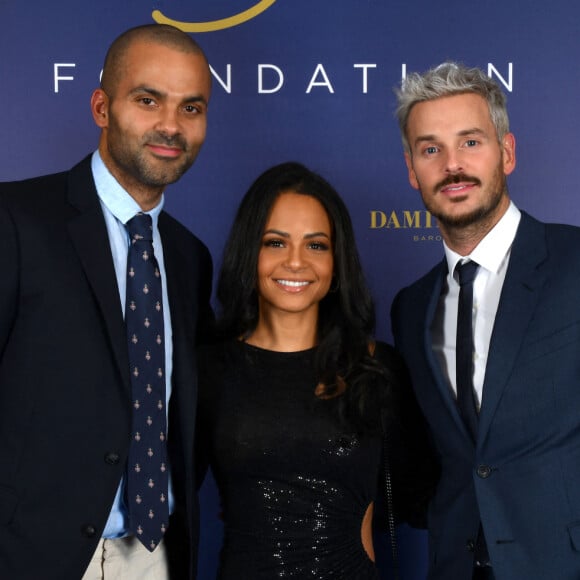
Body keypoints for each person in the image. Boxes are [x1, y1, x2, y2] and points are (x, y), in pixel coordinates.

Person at [0, 24, 213, 580]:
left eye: (191, 108)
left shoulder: (190, 257)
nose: (171, 125)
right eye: (148, 100)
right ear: (102, 106)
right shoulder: (16, 222)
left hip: (154, 557)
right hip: (32, 556)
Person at [197, 162, 437, 579]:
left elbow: (416, 494)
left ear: (337, 261)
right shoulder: (210, 370)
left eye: (316, 245)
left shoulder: (376, 368)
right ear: (248, 252)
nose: (295, 262)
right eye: (275, 242)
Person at [391, 61, 580, 580]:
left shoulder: (574, 261)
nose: (452, 165)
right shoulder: (411, 307)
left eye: (470, 142)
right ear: (412, 169)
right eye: (431, 149)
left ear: (508, 152)